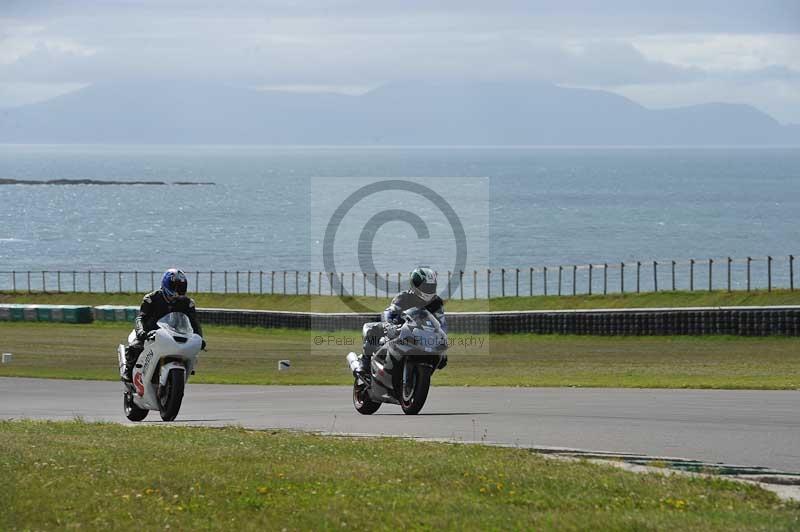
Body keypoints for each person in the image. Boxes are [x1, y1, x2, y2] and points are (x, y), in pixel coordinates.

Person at [122, 268, 205, 381]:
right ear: (165, 283)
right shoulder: (151, 299)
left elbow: (194, 322)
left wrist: (199, 338)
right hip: (151, 333)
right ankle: (128, 370)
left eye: (180, 287)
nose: (177, 290)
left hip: (176, 333)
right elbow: (140, 318)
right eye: (174, 286)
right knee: (135, 346)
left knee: (192, 352)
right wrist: (141, 331)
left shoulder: (187, 303)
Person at [362, 267, 447, 370]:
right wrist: (389, 324)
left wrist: (442, 338)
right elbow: (389, 312)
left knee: (442, 360)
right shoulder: (403, 297)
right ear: (416, 285)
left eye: (431, 287)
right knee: (371, 329)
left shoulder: (436, 302)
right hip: (398, 331)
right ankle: (365, 366)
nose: (429, 290)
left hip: (420, 336)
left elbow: (441, 324)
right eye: (426, 287)